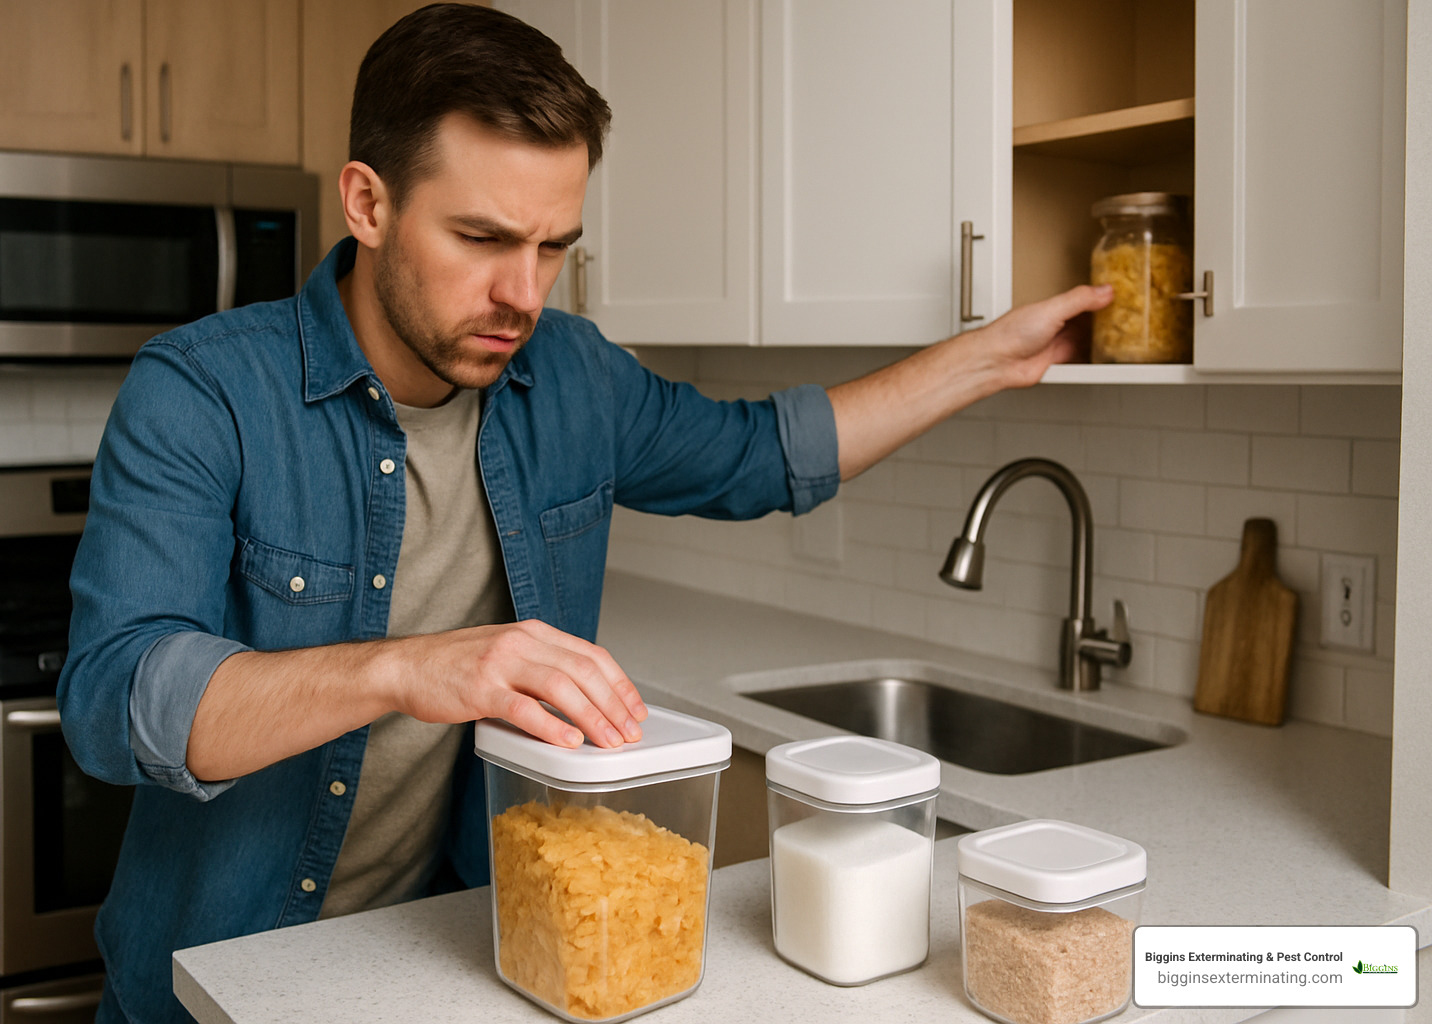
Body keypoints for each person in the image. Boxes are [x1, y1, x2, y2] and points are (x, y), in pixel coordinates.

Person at [57, 4, 1111, 1022]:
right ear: (368, 204)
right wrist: (408, 667)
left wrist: (984, 362)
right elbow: (116, 700)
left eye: (554, 245)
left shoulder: (573, 378)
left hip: (453, 965)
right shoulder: (201, 393)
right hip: (215, 986)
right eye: (482, 237)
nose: (525, 293)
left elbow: (763, 455)